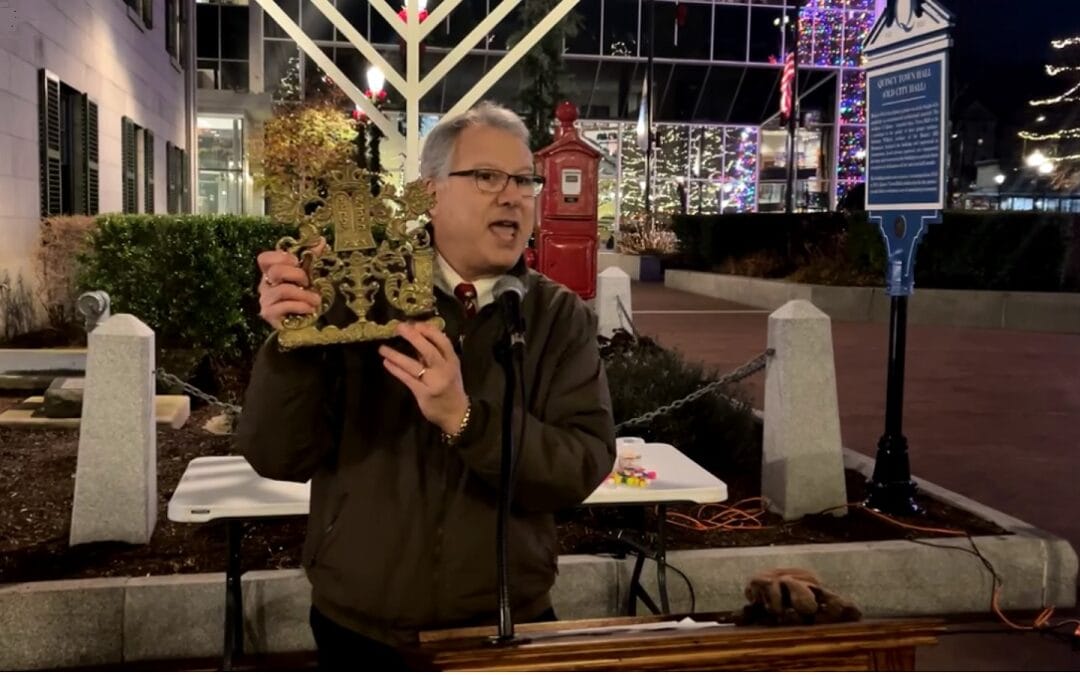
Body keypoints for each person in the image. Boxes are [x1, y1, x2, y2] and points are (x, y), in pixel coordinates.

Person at [235, 101, 616, 670]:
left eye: (524, 180)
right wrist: (294, 343)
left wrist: (466, 420)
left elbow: (581, 463)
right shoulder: (357, 291)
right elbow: (276, 455)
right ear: (430, 193)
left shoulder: (556, 317)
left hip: (505, 624)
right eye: (487, 176)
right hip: (361, 629)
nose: (512, 195)